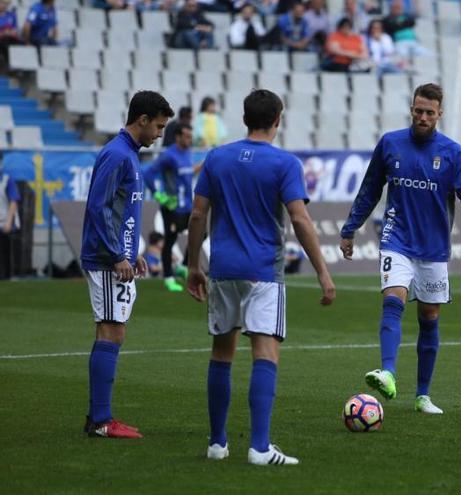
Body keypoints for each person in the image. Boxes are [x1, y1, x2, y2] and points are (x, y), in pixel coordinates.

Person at [186, 89, 336, 465]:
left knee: (222, 353)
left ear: (243, 118)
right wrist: (322, 271)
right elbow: (299, 219)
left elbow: (197, 215)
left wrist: (193, 266)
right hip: (263, 272)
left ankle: (217, 444)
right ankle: (259, 447)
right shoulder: (284, 164)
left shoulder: (217, 158)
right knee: (265, 352)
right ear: (278, 120)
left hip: (221, 269)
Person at [339, 83, 461, 414]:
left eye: (428, 113)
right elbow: (370, 189)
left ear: (439, 114)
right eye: (417, 110)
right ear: (412, 108)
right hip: (397, 237)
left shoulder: (453, 153)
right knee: (393, 299)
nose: (422, 117)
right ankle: (388, 373)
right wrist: (350, 229)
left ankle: (422, 395)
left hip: (433, 247)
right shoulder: (391, 143)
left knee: (429, 318)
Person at [80, 91, 174, 438]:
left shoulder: (129, 155)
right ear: (143, 120)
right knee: (111, 330)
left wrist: (131, 249)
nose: (160, 133)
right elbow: (98, 208)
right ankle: (101, 421)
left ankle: (98, 417)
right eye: (159, 126)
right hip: (106, 261)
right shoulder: (118, 155)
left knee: (112, 329)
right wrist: (117, 254)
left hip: (117, 256)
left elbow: (120, 211)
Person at [147, 123, 198, 292]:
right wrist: (158, 194)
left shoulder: (188, 153)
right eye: (187, 136)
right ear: (178, 137)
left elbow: (187, 174)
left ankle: (182, 266)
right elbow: (149, 173)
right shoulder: (169, 155)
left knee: (201, 233)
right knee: (170, 240)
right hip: (172, 206)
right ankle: (168, 277)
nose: (190, 140)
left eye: (191, 137)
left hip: (187, 206)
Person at [0, 158, 20, 279]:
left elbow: (14, 201)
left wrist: (8, 222)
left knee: (4, 253)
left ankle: (6, 277)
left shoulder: (7, 179)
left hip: (4, 223)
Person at [0, 0, 22, 68]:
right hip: (2, 40)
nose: (5, 6)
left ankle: (18, 66)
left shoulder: (12, 15)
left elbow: (15, 29)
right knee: (5, 44)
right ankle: (9, 65)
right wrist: (3, 33)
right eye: (3, 3)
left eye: (6, 4)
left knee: (20, 44)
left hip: (11, 38)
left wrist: (11, 32)